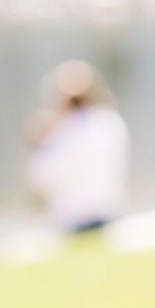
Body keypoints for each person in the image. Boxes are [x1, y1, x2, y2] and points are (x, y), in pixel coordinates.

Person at [25, 61, 130, 235]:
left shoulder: (63, 133)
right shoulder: (111, 121)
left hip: (75, 219)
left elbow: (41, 179)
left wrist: (39, 144)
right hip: (111, 209)